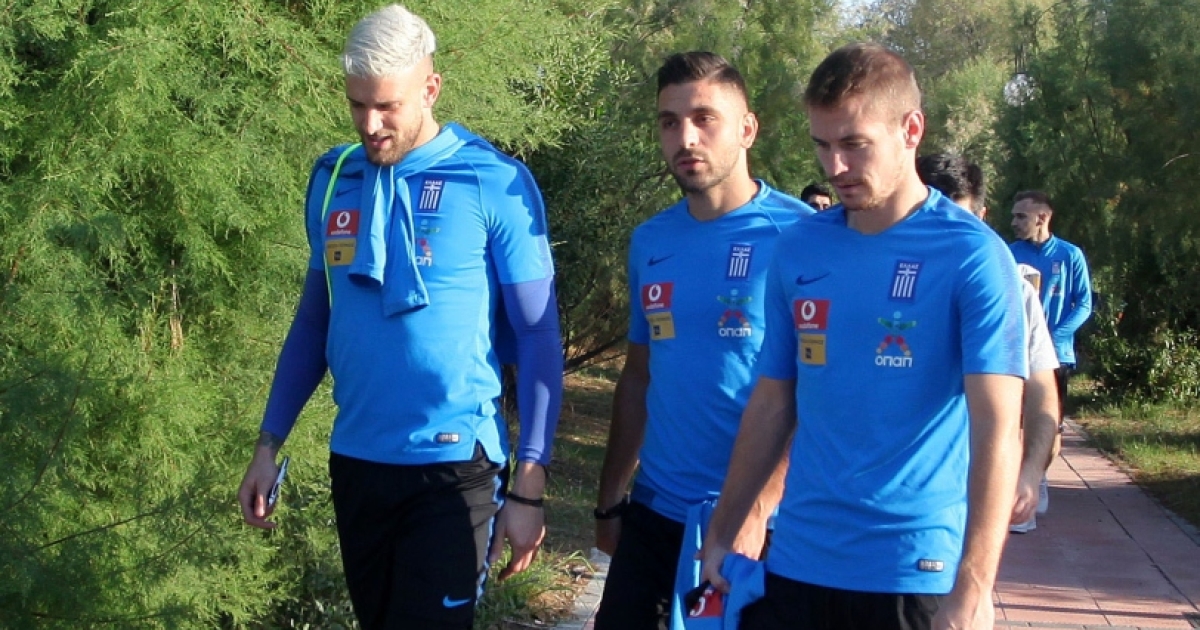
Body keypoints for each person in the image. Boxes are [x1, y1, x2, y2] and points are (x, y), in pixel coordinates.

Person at [235, 6, 563, 629]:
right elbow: (314, 323)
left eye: (387, 106)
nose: (371, 124)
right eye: (357, 105)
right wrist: (268, 444)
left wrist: (529, 482)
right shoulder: (334, 178)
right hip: (358, 458)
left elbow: (538, 334)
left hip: (454, 464)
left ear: (430, 88)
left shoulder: (494, 180)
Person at [698, 43, 1027, 630]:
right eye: (822, 145)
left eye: (854, 144)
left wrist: (976, 585)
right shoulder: (800, 247)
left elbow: (999, 426)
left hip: (913, 571)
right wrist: (724, 529)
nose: (835, 166)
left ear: (911, 130)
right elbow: (773, 400)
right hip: (799, 560)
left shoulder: (973, 256)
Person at [593, 51, 814, 630]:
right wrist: (610, 499)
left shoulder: (802, 237)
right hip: (656, 511)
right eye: (670, 122)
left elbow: (818, 393)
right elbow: (638, 376)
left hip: (762, 526)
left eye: (704, 118)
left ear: (747, 128)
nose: (686, 138)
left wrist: (757, 508)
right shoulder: (652, 240)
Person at [916, 153, 1060, 533]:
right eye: (933, 221)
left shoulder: (1013, 290)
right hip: (904, 495)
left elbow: (1042, 391)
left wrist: (1031, 471)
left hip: (981, 487)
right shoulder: (882, 287)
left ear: (981, 216)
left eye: (960, 221)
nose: (948, 236)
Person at [1009, 190, 1092, 516]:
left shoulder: (1070, 255)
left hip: (1056, 355)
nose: (1014, 222)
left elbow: (1083, 303)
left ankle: (1039, 476)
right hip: (1018, 353)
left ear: (1042, 217)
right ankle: (1016, 481)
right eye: (1014, 216)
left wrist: (1054, 336)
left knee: (1049, 423)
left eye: (1021, 216)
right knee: (1015, 421)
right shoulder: (1009, 254)